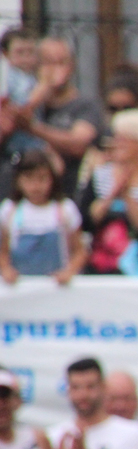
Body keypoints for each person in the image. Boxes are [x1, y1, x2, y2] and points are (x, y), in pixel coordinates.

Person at [79, 108, 138, 276]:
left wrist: (126, 196)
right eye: (116, 138)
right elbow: (86, 220)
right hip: (100, 268)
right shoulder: (99, 176)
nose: (117, 144)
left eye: (125, 139)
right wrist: (112, 195)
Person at [16, 37, 106, 196]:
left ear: (72, 66)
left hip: (67, 190)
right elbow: (16, 119)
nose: (55, 69)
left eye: (61, 62)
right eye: (48, 62)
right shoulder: (28, 98)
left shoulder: (85, 105)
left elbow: (78, 144)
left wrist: (34, 128)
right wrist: (41, 92)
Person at [0, 149, 84, 285]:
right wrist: (5, 269)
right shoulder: (9, 210)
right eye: (29, 178)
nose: (36, 186)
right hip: (21, 288)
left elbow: (80, 250)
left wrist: (69, 272)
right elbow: (3, 250)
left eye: (42, 178)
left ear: (52, 180)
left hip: (56, 287)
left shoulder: (65, 209)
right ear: (18, 180)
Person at [0, 27, 46, 159]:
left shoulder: (32, 78)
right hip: (17, 146)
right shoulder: (11, 77)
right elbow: (22, 107)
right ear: (6, 54)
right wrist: (43, 89)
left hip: (34, 143)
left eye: (30, 52)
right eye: (20, 52)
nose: (26, 58)